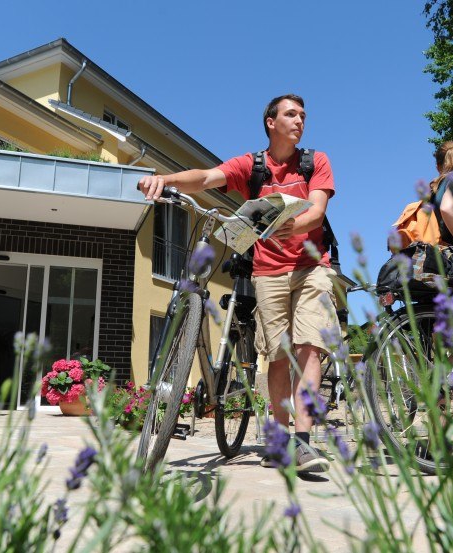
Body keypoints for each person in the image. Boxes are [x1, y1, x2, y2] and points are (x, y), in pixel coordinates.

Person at [138, 94, 334, 473]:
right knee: (278, 356)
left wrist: (290, 224)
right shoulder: (253, 165)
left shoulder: (315, 161)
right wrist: (164, 178)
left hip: (312, 266)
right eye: (291, 114)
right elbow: (207, 177)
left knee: (309, 347)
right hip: (268, 271)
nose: (300, 120)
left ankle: (303, 443)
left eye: (303, 115)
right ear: (270, 122)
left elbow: (318, 211)